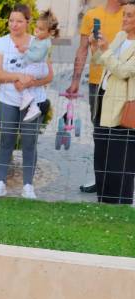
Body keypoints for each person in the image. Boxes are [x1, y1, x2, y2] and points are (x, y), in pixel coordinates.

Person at [0, 4, 53, 200]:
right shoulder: (0, 43)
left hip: (34, 101)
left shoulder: (38, 42)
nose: (14, 25)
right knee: (6, 140)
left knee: (29, 142)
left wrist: (30, 82)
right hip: (7, 100)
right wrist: (17, 77)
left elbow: (49, 76)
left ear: (28, 22)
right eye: (11, 21)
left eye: (19, 21)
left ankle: (28, 186)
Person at [67, 0, 125, 193]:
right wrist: (75, 80)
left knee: (123, 129)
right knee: (99, 130)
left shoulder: (130, 14)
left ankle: (121, 179)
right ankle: (100, 178)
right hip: (97, 82)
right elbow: (83, 49)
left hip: (123, 83)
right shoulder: (92, 15)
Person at [91, 0, 135, 204]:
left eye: (129, 15)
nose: (124, 19)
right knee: (101, 157)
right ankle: (103, 201)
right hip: (103, 103)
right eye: (124, 14)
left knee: (120, 162)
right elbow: (102, 61)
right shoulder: (120, 36)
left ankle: (121, 205)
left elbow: (123, 71)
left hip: (122, 109)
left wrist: (107, 50)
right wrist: (96, 47)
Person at [16, 11, 57, 122]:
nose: (37, 30)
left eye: (41, 29)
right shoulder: (38, 40)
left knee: (19, 77)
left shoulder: (45, 43)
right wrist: (26, 48)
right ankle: (33, 107)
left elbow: (36, 57)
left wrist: (25, 51)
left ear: (50, 32)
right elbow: (32, 49)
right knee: (28, 85)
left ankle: (28, 99)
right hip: (37, 67)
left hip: (39, 67)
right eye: (37, 27)